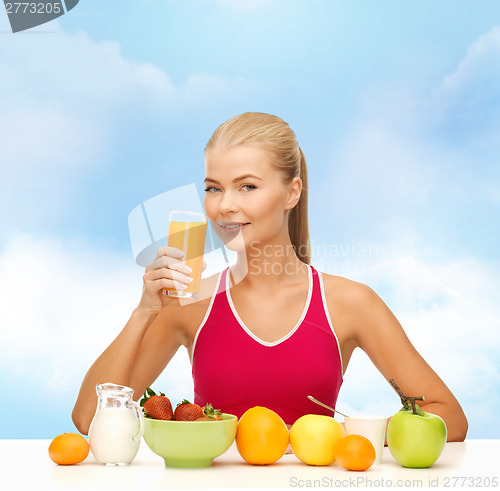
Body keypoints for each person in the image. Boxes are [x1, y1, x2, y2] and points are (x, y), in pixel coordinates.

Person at [72, 112, 468, 442]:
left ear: (292, 193)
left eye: (247, 187)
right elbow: (89, 419)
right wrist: (143, 312)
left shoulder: (350, 303)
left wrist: (357, 435)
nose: (225, 205)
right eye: (213, 188)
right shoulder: (188, 303)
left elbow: (448, 416)